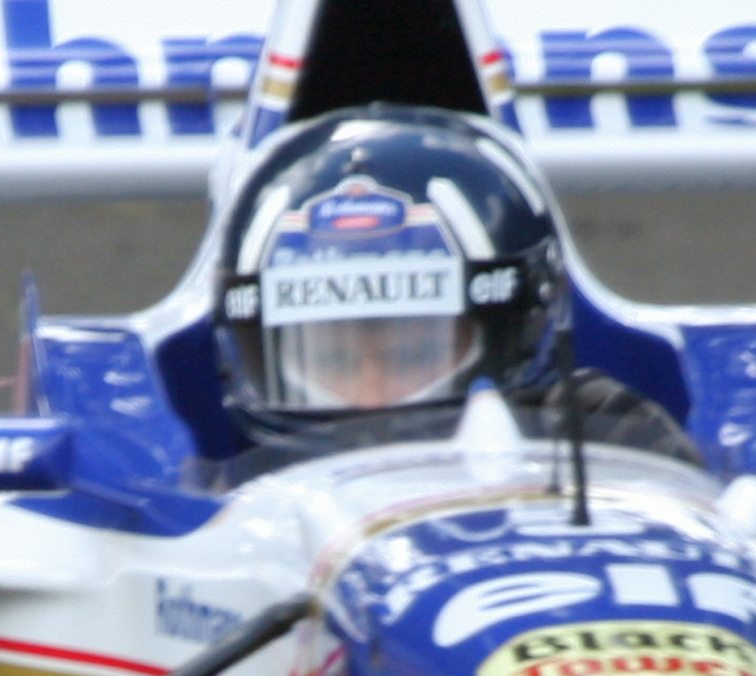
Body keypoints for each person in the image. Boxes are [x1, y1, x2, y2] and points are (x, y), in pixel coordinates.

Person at [210, 107, 695, 465]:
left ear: (515, 337)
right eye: (332, 360)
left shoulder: (603, 442)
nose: (375, 402)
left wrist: (640, 469)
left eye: (413, 356)